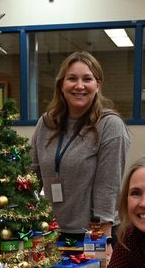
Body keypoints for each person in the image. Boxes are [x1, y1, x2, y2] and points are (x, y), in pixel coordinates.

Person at [30, 51, 129, 245]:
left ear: (98, 85)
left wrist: (104, 241)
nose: (79, 86)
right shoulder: (46, 123)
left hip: (92, 234)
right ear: (61, 85)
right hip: (49, 231)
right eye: (72, 79)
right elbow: (31, 175)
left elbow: (108, 186)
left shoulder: (110, 125)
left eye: (87, 79)